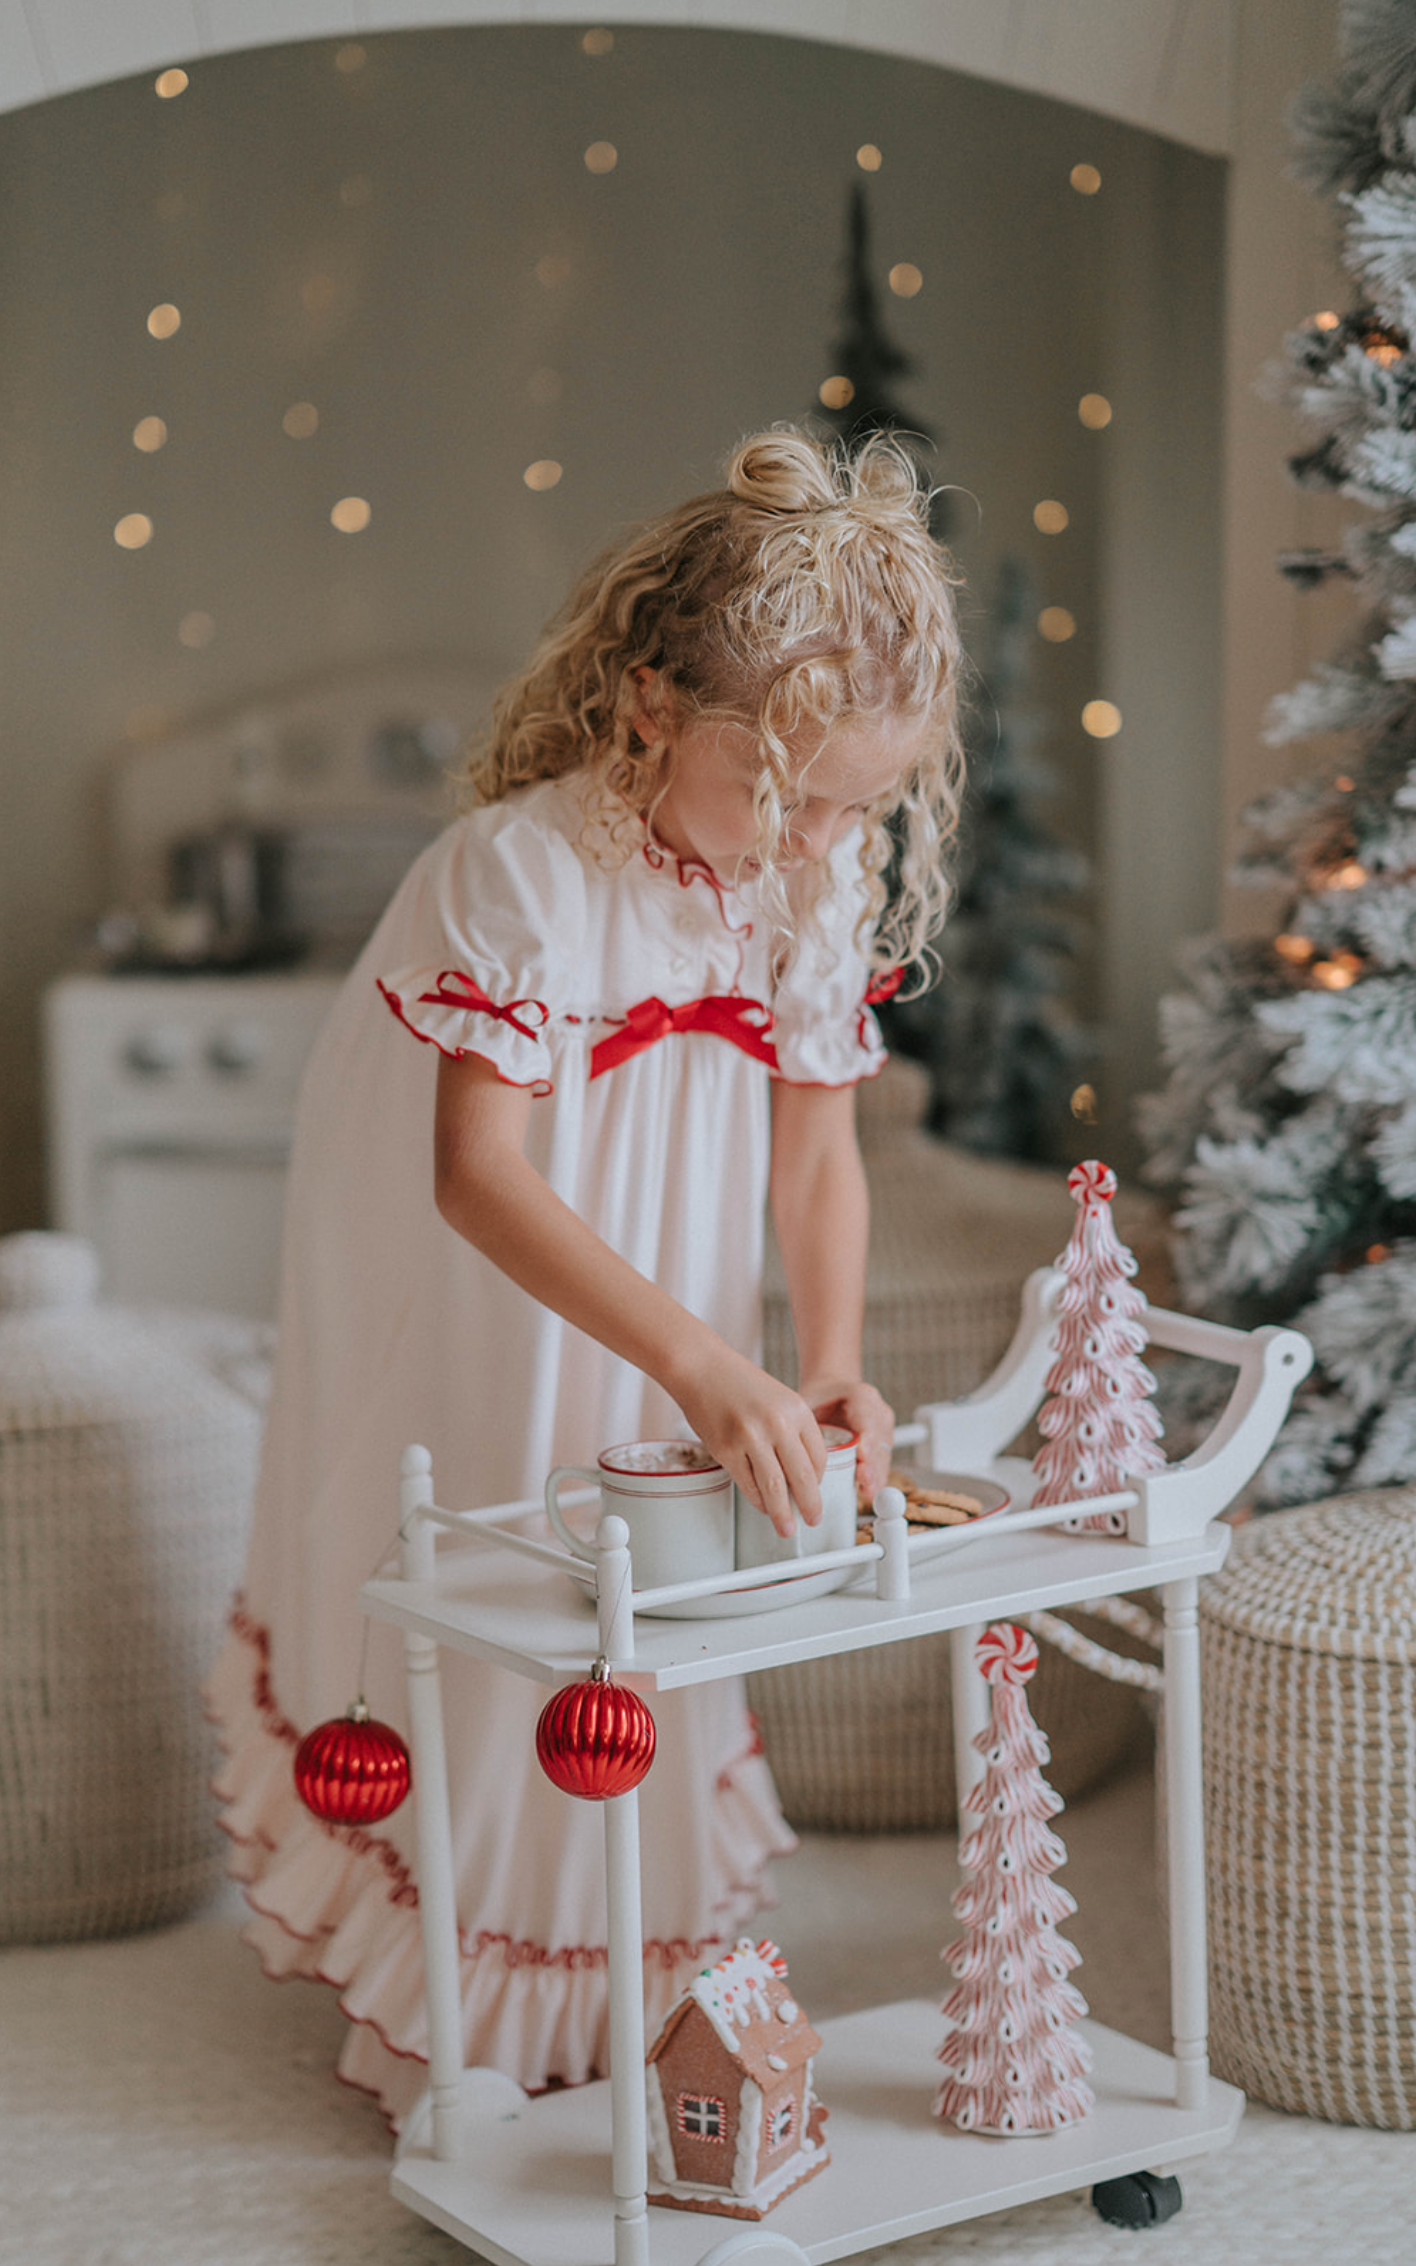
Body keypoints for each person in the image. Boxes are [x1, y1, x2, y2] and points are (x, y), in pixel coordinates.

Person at [207, 426, 965, 2125]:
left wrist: (823, 1354)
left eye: (857, 806)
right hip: (515, 1286)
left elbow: (815, 1151)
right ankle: (464, 2024)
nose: (816, 844)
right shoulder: (524, 876)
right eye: (783, 794)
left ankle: (626, 1981)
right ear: (644, 704)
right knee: (514, 1574)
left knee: (661, 1581)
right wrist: (704, 1363)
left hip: (672, 1287)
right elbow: (476, 1176)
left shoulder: (810, 876)